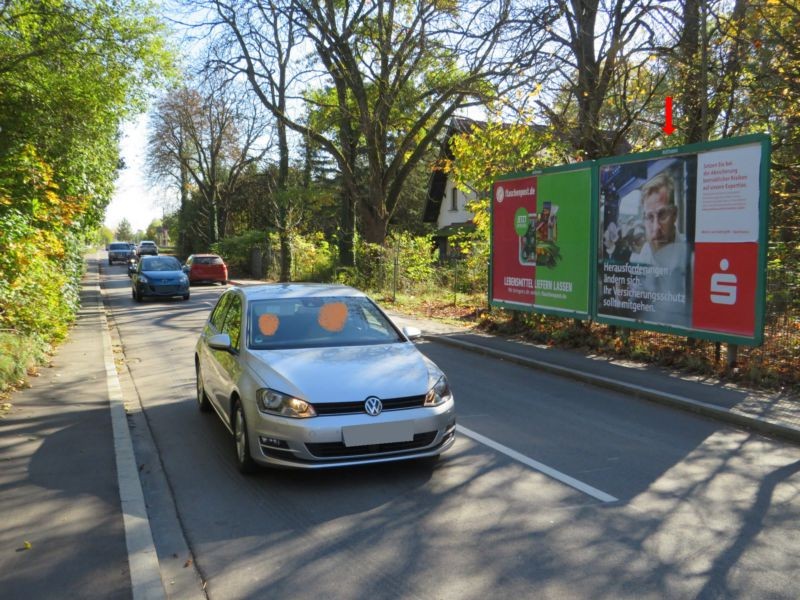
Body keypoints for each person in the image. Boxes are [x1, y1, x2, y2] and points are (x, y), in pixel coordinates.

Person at [634, 171, 690, 325]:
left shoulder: (691, 254)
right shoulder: (646, 250)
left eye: (662, 215)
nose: (656, 227)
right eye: (650, 217)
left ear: (675, 214)